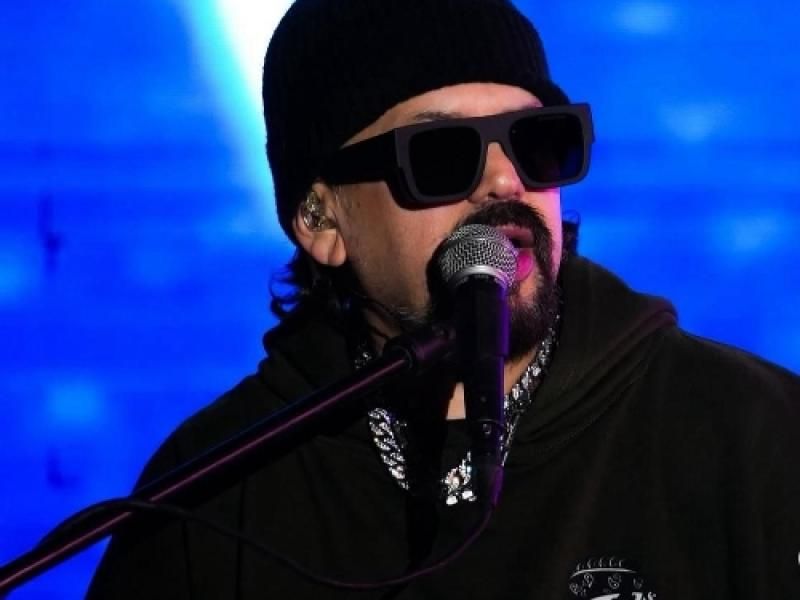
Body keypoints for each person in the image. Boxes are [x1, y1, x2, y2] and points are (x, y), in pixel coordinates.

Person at [87, 0, 800, 597]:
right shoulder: (212, 496)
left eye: (537, 141)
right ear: (321, 218)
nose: (505, 181)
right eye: (441, 153)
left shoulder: (753, 433)